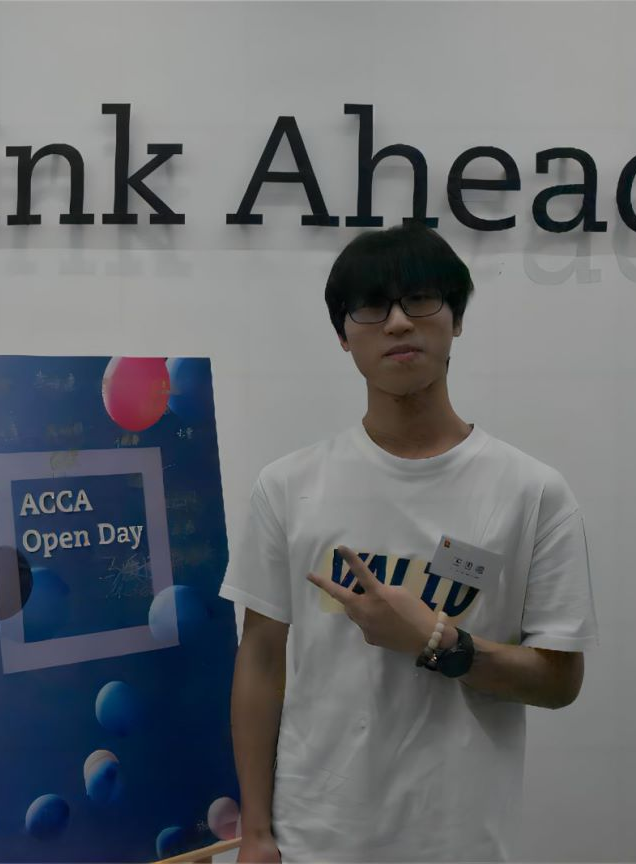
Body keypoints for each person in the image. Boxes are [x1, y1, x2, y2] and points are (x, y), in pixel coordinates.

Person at [219, 221, 599, 864]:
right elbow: (260, 659)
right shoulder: (287, 486)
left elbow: (560, 681)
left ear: (456, 319)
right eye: (371, 307)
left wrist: (441, 643)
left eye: (420, 299)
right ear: (344, 336)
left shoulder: (532, 492)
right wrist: (255, 831)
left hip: (460, 841)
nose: (397, 323)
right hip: (315, 838)